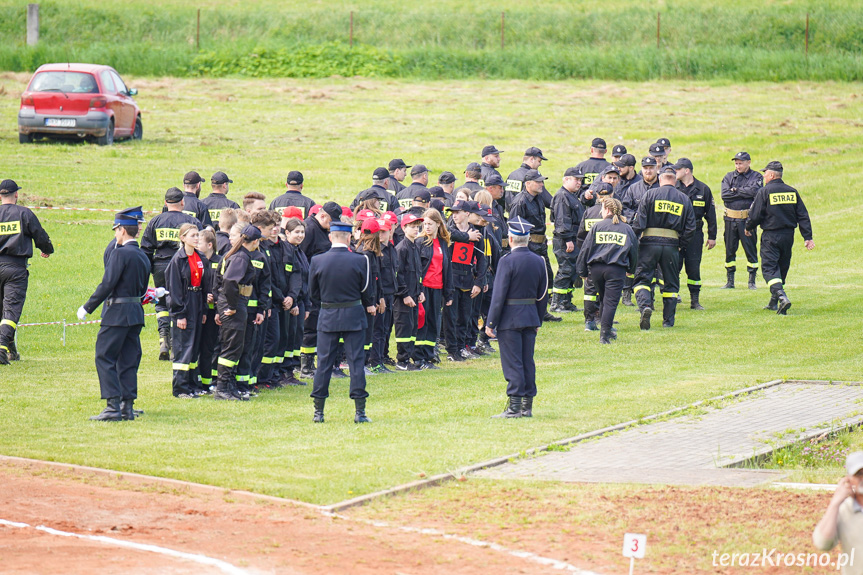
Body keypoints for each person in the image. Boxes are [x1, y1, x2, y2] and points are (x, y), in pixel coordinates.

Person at [77, 207, 151, 420]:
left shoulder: (120, 253)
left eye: (116, 230)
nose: (115, 234)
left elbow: (107, 284)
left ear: (122, 231)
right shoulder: (143, 256)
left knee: (105, 356)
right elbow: (143, 289)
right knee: (128, 359)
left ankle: (112, 406)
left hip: (117, 313)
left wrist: (87, 307)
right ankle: (127, 406)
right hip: (135, 313)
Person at [309, 221, 376, 423]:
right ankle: (359, 412)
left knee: (323, 364)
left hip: (328, 316)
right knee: (356, 363)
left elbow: (313, 293)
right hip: (354, 315)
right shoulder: (360, 260)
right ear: (348, 238)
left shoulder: (317, 260)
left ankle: (318, 412)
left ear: (331, 237)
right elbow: (367, 290)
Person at [484, 217, 548, 419]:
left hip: (510, 319)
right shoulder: (539, 261)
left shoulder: (506, 261)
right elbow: (542, 294)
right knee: (527, 361)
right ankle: (527, 406)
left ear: (510, 239)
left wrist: (491, 322)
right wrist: (538, 318)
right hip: (530, 316)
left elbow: (499, 295)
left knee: (513, 363)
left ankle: (514, 406)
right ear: (527, 239)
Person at [140, 187, 202, 361]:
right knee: (181, 302)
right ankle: (176, 342)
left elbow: (145, 250)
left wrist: (150, 270)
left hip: (160, 267)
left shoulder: (155, 221)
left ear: (165, 203)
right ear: (183, 202)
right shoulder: (191, 222)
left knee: (161, 304)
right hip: (184, 266)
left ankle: (163, 340)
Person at [745, 161, 814, 314]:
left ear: (771, 175)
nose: (763, 176)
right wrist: (807, 237)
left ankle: (782, 297)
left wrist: (748, 227)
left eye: (765, 173)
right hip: (788, 236)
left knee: (769, 268)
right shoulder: (792, 191)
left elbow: (755, 214)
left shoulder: (765, 191)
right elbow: (802, 215)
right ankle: (774, 302)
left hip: (771, 235)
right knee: (782, 268)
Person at [632, 166, 696, 330]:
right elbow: (690, 228)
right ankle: (668, 321)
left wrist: (634, 241)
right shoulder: (684, 199)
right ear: (675, 180)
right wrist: (680, 245)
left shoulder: (650, 194)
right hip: (671, 245)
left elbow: (639, 222)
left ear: (660, 179)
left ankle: (645, 306)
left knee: (642, 279)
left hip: (649, 244)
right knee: (671, 284)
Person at [0, 179, 54, 364]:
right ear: (16, 194)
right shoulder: (24, 213)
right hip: (15, 268)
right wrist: (46, 248)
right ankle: (1, 348)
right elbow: (39, 234)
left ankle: (11, 351)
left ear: (0, 196)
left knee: (2, 312)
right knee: (11, 311)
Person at [576, 198, 638, 344]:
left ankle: (607, 331)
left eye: (602, 208)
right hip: (616, 270)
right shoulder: (626, 228)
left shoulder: (597, 227)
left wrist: (582, 271)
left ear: (608, 210)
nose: (600, 211)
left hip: (596, 270)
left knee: (604, 299)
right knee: (610, 302)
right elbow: (634, 251)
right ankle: (604, 335)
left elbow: (585, 249)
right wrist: (631, 270)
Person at [213, 224, 261, 401]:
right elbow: (230, 282)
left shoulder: (236, 254)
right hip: (235, 304)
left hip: (234, 302)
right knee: (231, 347)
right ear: (255, 241)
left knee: (235, 346)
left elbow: (219, 279)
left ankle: (229, 386)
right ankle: (222, 388)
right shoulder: (241, 257)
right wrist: (232, 306)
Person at [508, 169, 561, 322]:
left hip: (540, 245)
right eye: (538, 182)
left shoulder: (537, 198)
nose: (541, 184)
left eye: (542, 181)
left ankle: (542, 311)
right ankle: (529, 311)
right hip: (528, 246)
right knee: (528, 280)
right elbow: (514, 227)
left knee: (545, 277)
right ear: (528, 183)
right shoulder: (520, 202)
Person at [298, 201, 340, 378]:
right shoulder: (309, 229)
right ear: (322, 216)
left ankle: (311, 362)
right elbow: (302, 259)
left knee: (315, 326)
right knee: (310, 326)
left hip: (319, 286)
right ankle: (306, 366)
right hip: (309, 286)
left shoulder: (321, 229)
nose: (332, 226)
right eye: (331, 221)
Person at [165, 223, 207, 398]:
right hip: (185, 302)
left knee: (195, 344)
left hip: (197, 301)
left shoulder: (200, 257)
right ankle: (180, 387)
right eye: (192, 236)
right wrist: (179, 314)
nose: (196, 239)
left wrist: (204, 309)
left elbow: (204, 285)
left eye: (198, 235)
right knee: (184, 345)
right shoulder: (177, 260)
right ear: (182, 238)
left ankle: (192, 383)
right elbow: (174, 289)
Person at [674, 158, 717, 310]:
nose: (675, 172)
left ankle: (695, 300)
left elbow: (711, 215)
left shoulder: (703, 189)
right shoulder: (673, 187)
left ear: (687, 171)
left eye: (677, 169)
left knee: (693, 267)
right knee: (674, 266)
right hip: (677, 234)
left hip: (695, 234)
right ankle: (673, 298)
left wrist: (712, 237)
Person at [445, 201, 485, 361]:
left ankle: (462, 347)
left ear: (467, 214)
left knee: (465, 316)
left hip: (467, 280)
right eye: (452, 212)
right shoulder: (449, 231)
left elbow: (482, 261)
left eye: (458, 212)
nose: (454, 215)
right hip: (451, 280)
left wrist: (479, 283)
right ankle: (451, 349)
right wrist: (467, 237)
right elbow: (447, 233)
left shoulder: (477, 234)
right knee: (450, 317)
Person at [813, 451, 863, 575]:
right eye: (859, 474)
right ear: (848, 479)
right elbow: (823, 543)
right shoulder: (843, 510)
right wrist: (835, 502)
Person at [721, 152, 763, 289]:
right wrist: (743, 192)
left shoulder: (756, 176)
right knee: (729, 250)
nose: (738, 166)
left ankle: (751, 281)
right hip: (730, 219)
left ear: (748, 162)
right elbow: (725, 195)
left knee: (750, 250)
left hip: (747, 220)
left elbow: (755, 192)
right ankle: (730, 281)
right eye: (736, 163)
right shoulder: (728, 177)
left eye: (740, 163)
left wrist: (735, 191)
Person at [576, 182, 615, 331]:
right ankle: (604, 321)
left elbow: (581, 238)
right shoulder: (615, 214)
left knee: (590, 292)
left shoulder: (589, 212)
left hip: (592, 259)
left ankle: (589, 321)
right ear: (611, 195)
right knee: (608, 291)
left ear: (597, 195)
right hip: (611, 259)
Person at [417, 208, 453, 368]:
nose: (427, 227)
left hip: (438, 288)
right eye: (425, 224)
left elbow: (447, 270)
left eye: (430, 224)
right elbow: (417, 268)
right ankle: (419, 357)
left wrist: (449, 294)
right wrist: (418, 290)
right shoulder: (420, 242)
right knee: (422, 323)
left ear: (438, 224)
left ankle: (430, 354)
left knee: (433, 323)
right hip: (424, 288)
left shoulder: (444, 243)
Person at [550, 167, 586, 313]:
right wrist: (567, 239)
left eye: (580, 180)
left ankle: (566, 301)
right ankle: (556, 303)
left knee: (572, 270)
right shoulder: (562, 196)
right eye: (576, 179)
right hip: (565, 240)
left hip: (573, 238)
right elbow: (562, 220)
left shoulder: (571, 195)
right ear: (566, 179)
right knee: (565, 269)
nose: (579, 182)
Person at [281, 216, 311, 385]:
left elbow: (304, 280)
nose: (300, 235)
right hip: (292, 304)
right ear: (287, 233)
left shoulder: (300, 252)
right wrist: (294, 302)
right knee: (289, 338)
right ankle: (285, 373)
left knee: (297, 337)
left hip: (300, 303)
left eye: (302, 232)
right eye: (296, 232)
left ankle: (290, 371)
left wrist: (306, 305)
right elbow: (289, 280)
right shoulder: (287, 251)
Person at [393, 214, 425, 370]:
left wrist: (420, 291)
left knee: (412, 328)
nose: (416, 229)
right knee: (403, 327)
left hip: (414, 294)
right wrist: (404, 294)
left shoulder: (415, 246)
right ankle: (402, 361)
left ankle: (409, 358)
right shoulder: (401, 248)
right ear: (404, 228)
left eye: (417, 226)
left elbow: (418, 272)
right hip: (403, 298)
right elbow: (398, 274)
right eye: (412, 226)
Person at [352, 215, 384, 373]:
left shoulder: (371, 253)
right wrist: (370, 302)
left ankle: (363, 364)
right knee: (364, 333)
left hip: (371, 300)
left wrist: (379, 298)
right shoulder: (364, 254)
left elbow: (376, 279)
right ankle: (360, 365)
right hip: (364, 303)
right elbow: (366, 282)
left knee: (368, 333)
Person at [197, 228, 221, 391]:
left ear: (210, 245)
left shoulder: (220, 261)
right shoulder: (196, 260)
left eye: (199, 242)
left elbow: (222, 284)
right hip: (199, 310)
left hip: (214, 312)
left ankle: (209, 378)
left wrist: (215, 297)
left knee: (210, 345)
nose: (197, 245)